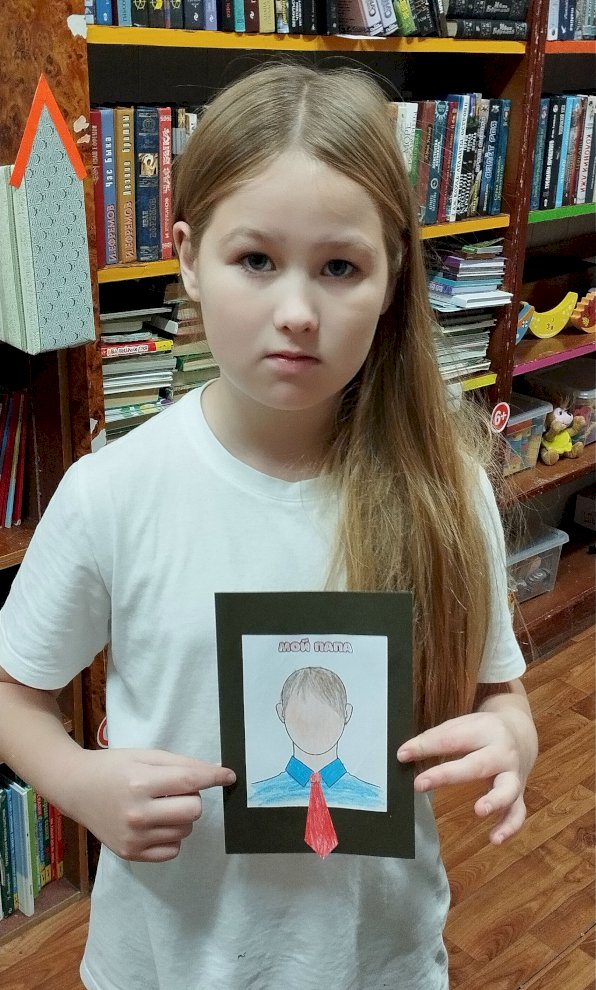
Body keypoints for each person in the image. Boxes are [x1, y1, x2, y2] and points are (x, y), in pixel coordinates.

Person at [0, 62, 537, 990]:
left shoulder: (444, 490)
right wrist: (80, 783)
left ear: (392, 275)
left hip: (376, 959)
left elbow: (502, 693)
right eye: (255, 260)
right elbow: (14, 694)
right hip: (166, 960)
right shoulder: (111, 494)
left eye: (340, 267)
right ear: (187, 258)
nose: (296, 313)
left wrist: (512, 740)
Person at [248, 666, 385, 811]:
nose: (313, 725)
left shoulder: (374, 798)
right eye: (302, 714)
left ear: (347, 713)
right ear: (281, 712)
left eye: (325, 715)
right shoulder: (256, 796)